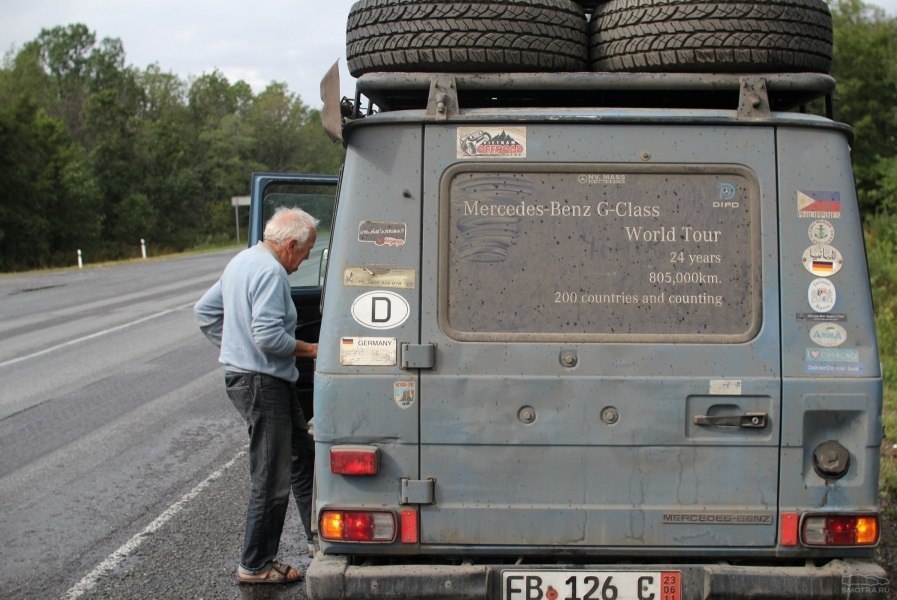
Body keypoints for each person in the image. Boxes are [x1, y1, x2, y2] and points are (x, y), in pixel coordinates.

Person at [194, 207, 319, 584]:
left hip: (251, 378)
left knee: (301, 457)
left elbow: (206, 312)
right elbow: (267, 336)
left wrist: (235, 350)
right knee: (271, 476)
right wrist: (312, 351)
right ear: (291, 245)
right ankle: (255, 563)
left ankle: (319, 537)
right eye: (308, 250)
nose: (307, 258)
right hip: (263, 384)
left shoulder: (242, 260)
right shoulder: (270, 272)